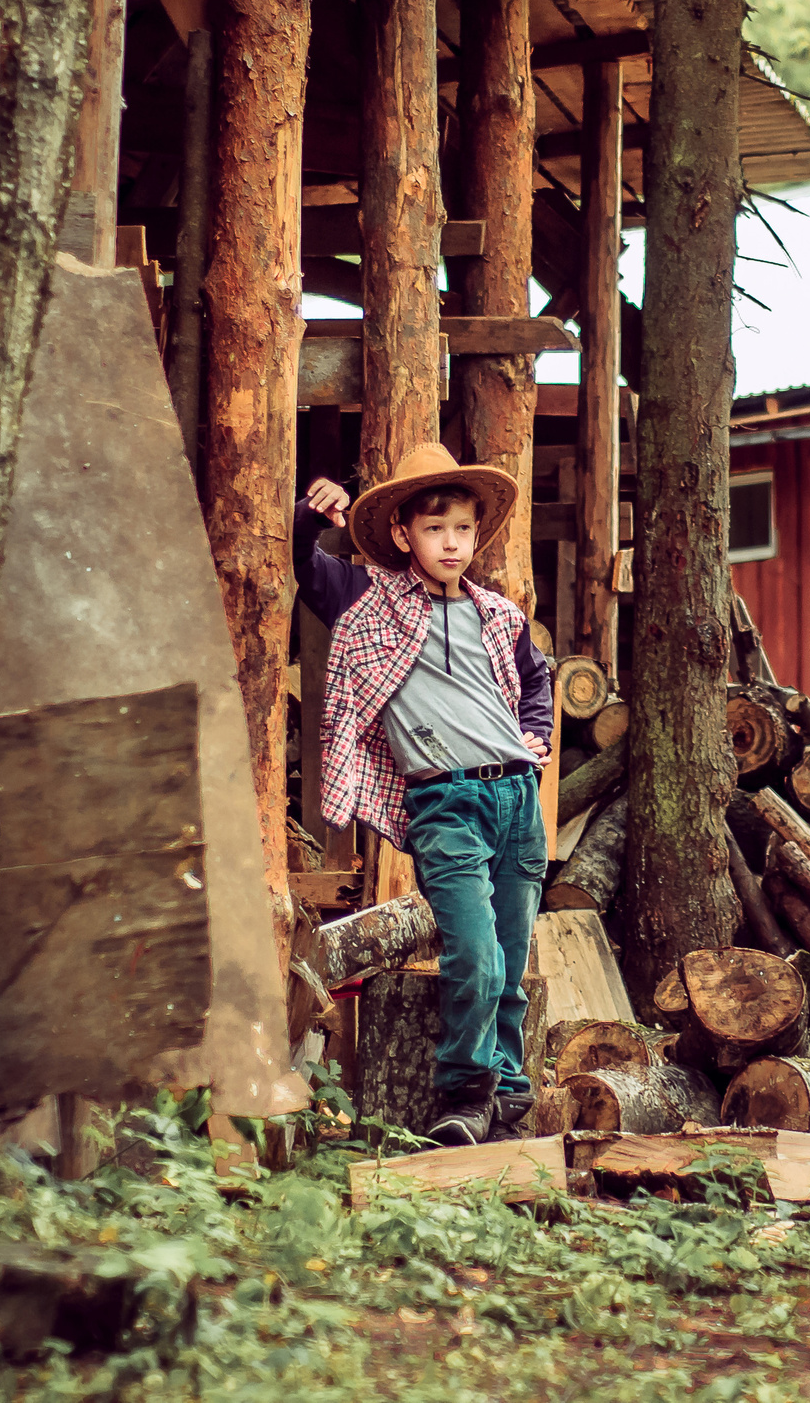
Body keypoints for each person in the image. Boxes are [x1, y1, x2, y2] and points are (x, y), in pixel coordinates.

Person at [295, 443, 554, 1147]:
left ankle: (507, 1096)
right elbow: (304, 565)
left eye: (463, 528)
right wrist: (309, 513)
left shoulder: (497, 614)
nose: (451, 542)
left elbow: (537, 678)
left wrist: (536, 734)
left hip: (517, 802)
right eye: (435, 528)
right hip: (446, 806)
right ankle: (464, 1093)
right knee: (475, 957)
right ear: (404, 533)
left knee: (510, 962)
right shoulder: (369, 600)